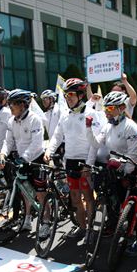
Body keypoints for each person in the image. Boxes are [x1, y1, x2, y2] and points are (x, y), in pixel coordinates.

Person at [85, 91, 137, 255]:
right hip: (116, 170)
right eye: (106, 108)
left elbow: (133, 156)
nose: (107, 112)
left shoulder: (130, 126)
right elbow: (96, 144)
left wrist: (125, 171)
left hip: (131, 169)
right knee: (120, 203)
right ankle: (127, 228)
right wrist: (88, 129)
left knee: (135, 209)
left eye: (110, 108)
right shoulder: (108, 126)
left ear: (121, 108)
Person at [44, 78, 97, 238]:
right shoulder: (65, 115)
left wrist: (89, 164)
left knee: (88, 197)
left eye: (71, 94)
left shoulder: (91, 113)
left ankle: (90, 229)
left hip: (86, 161)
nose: (68, 98)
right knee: (75, 198)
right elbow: (56, 136)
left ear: (81, 95)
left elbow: (95, 143)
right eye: (66, 95)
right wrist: (49, 151)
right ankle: (82, 227)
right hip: (71, 161)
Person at [0, 89, 46, 232]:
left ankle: (46, 223)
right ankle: (26, 219)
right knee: (25, 192)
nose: (9, 107)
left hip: (36, 159)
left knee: (40, 194)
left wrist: (24, 157)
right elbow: (8, 142)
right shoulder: (11, 121)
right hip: (22, 159)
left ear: (22, 105)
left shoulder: (34, 119)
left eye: (12, 104)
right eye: (9, 104)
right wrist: (3, 154)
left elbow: (37, 143)